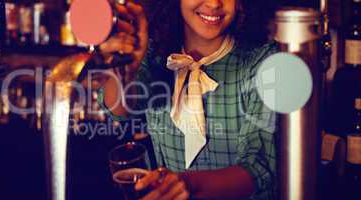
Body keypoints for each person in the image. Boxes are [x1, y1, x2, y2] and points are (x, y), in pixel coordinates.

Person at [95, 0, 278, 199]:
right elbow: (120, 112)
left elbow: (259, 168)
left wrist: (187, 184)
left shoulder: (263, 63)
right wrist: (125, 68)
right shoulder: (156, 57)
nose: (214, 3)